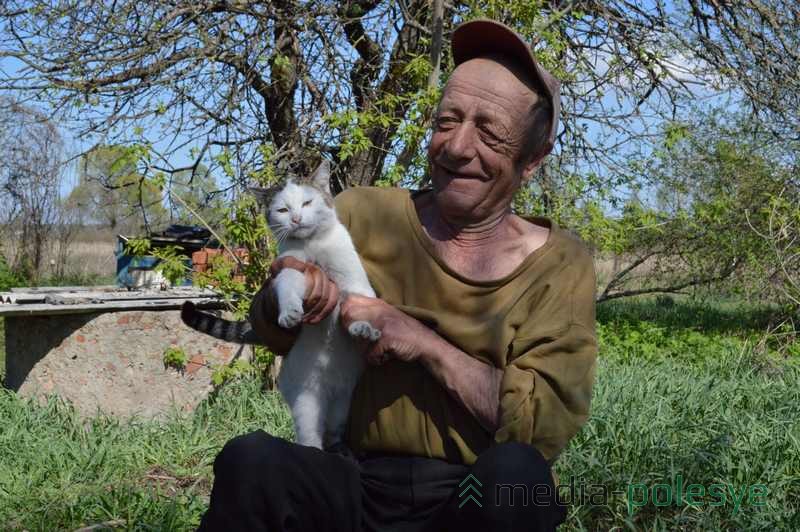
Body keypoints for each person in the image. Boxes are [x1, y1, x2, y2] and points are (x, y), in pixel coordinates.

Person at [198, 19, 597, 532]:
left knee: (518, 475)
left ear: (533, 160)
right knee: (251, 461)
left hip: (470, 491)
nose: (456, 147)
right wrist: (288, 295)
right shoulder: (363, 214)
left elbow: (539, 426)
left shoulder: (560, 265)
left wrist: (422, 343)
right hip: (352, 479)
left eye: (489, 132)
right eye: (447, 120)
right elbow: (272, 326)